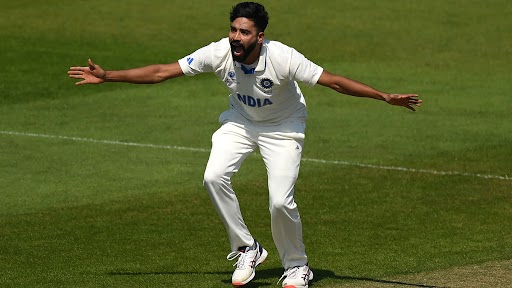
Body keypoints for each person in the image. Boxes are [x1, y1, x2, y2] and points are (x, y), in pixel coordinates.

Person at [68, 2, 422, 287]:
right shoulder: (218, 52)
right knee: (212, 177)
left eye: (244, 32)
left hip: (284, 128)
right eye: (233, 29)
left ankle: (298, 267)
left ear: (260, 36)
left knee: (280, 201)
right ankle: (247, 248)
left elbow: (333, 81)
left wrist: (383, 96)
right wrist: (108, 75)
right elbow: (163, 72)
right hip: (240, 122)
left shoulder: (282, 56)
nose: (236, 37)